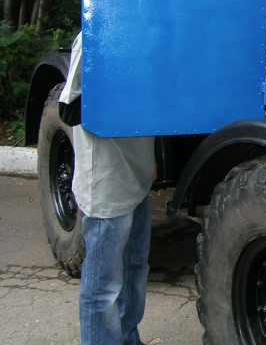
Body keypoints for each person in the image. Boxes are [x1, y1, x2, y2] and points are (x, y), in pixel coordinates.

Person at [59, 32, 156, 345]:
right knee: (102, 289)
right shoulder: (93, 32)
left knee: (134, 270)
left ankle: (129, 339)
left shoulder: (145, 30)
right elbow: (70, 109)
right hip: (106, 181)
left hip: (138, 172)